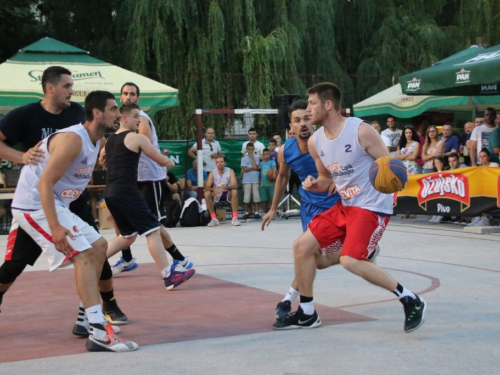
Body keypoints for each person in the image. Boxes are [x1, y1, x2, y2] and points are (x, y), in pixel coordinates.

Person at [275, 82, 425, 333]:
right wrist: (316, 184)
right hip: (345, 206)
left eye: (312, 103)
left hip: (371, 207)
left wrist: (392, 180)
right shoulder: (316, 141)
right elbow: (326, 179)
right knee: (303, 247)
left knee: (349, 260)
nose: (308, 109)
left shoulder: (361, 131)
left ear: (328, 104)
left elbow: (391, 166)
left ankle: (410, 299)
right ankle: (308, 313)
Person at [0, 66, 127, 335]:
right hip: (36, 202)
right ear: (50, 87)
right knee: (17, 263)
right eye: (67, 86)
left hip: (64, 202)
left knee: (99, 247)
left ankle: (95, 313)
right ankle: (96, 326)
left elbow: (100, 142)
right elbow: (45, 181)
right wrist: (21, 157)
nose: (72, 91)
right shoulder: (27, 117)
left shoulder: (82, 120)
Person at [261, 100, 345, 322]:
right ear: (291, 126)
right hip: (309, 206)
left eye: (307, 118)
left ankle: (289, 300)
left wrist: (342, 179)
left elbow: (349, 164)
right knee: (313, 258)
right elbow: (282, 177)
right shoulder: (285, 150)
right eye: (297, 120)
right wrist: (272, 208)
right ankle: (361, 253)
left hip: (334, 205)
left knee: (311, 256)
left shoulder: (329, 142)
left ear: (314, 120)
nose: (303, 123)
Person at [104, 103, 195, 290]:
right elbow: (161, 159)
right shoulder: (137, 138)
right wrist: (170, 161)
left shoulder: (110, 140)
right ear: (124, 117)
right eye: (136, 116)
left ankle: (92, 260)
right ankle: (169, 275)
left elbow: (105, 159)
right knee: (152, 230)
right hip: (127, 191)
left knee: (127, 237)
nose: (140, 119)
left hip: (110, 192)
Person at [204, 155, 241, 226]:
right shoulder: (212, 172)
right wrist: (214, 189)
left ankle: (235, 218)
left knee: (234, 192)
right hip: (217, 193)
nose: (219, 164)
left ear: (225, 163)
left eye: (221, 162)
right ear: (216, 164)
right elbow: (207, 187)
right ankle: (214, 218)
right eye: (217, 162)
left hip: (227, 192)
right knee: (207, 194)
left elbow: (235, 186)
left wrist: (226, 188)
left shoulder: (230, 171)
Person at [241, 143, 261, 218]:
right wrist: (254, 168)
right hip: (246, 180)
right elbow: (245, 169)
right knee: (247, 197)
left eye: (252, 149)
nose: (250, 151)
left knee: (256, 196)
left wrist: (252, 159)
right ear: (246, 150)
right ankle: (246, 212)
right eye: (249, 149)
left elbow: (256, 166)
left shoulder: (256, 158)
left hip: (255, 180)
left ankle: (256, 212)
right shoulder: (243, 159)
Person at [258, 148, 276, 213]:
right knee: (264, 199)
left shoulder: (272, 162)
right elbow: (259, 174)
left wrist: (274, 174)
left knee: (273, 199)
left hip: (271, 184)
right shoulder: (260, 163)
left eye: (267, 154)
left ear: (270, 154)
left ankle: (273, 211)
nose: (266, 156)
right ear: (262, 155)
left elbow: (274, 168)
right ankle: (265, 212)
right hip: (263, 184)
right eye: (264, 154)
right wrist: (259, 182)